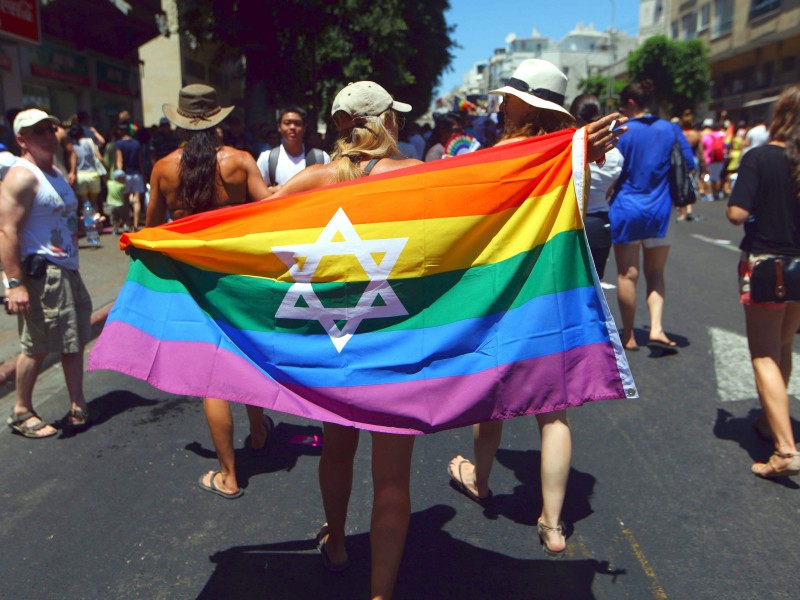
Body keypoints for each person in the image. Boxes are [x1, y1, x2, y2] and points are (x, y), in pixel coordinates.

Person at [446, 59, 624, 560]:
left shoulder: (501, 154)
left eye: (509, 97)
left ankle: (479, 480)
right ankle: (552, 524)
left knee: (493, 391)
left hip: (505, 287)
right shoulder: (571, 154)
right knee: (554, 409)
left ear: (528, 104)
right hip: (556, 286)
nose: (501, 104)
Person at [270, 80, 418, 600]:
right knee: (393, 474)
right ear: (385, 121)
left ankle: (336, 545)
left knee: (337, 447)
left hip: (333, 336)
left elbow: (244, 225)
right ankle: (381, 594)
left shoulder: (311, 179)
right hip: (396, 337)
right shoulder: (422, 177)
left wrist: (165, 243)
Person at [146, 83, 274, 498]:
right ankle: (258, 431)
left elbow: (152, 229)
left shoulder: (164, 168)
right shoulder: (240, 162)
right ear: (218, 120)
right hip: (237, 276)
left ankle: (229, 475)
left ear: (179, 122)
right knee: (246, 354)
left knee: (213, 377)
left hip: (190, 280)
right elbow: (272, 212)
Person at [0, 109, 93, 438]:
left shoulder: (52, 171)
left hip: (68, 268)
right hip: (43, 272)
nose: (47, 135)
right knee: (37, 344)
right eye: (37, 131)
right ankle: (21, 410)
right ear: (21, 139)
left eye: (50, 129)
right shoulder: (22, 176)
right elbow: (6, 230)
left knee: (74, 340)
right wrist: (14, 285)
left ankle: (77, 403)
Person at [726, 85, 800, 479]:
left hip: (768, 264)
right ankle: (772, 421)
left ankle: (785, 449)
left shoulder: (760, 157)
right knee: (783, 345)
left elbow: (737, 212)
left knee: (763, 354)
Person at [610, 79, 694, 352]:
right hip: (661, 209)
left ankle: (630, 335)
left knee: (626, 275)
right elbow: (689, 163)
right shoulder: (670, 128)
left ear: (631, 103)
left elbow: (610, 168)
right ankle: (657, 328)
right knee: (656, 272)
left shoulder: (622, 130)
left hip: (626, 208)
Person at [569, 93, 623, 281]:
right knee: (593, 292)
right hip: (599, 225)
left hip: (568, 225)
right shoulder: (615, 154)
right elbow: (610, 190)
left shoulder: (565, 149)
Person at [256, 106, 330, 191]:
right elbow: (258, 194)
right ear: (279, 127)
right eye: (287, 123)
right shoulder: (267, 159)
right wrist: (270, 191)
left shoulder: (321, 158)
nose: (292, 127)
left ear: (304, 128)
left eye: (297, 123)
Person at [68, 123, 105, 215]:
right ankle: (97, 223)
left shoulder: (72, 145)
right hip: (92, 174)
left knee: (86, 204)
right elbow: (99, 157)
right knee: (94, 202)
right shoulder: (89, 141)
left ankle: (88, 224)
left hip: (80, 175)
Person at [115, 120, 145, 231]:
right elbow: (140, 161)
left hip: (125, 175)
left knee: (126, 200)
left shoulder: (119, 144)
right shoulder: (136, 143)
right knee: (137, 200)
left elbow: (119, 160)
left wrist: (118, 174)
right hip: (137, 174)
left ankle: (128, 223)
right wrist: (143, 174)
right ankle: (136, 225)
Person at [104, 169, 128, 234]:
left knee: (114, 218)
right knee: (124, 216)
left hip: (111, 205)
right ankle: (125, 226)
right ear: (119, 178)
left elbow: (105, 178)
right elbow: (125, 196)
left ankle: (115, 229)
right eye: (123, 178)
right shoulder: (122, 186)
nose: (124, 180)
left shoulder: (109, 183)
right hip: (120, 204)